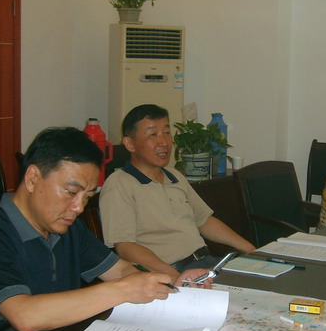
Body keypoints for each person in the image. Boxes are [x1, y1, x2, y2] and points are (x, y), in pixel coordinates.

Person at [0, 127, 208, 331]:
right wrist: (123, 290)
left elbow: (121, 272)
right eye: (71, 192)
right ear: (32, 178)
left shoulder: (68, 227)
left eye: (87, 197)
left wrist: (170, 283)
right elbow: (24, 317)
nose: (79, 207)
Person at [99, 104, 255, 279]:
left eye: (167, 132)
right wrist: (174, 277)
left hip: (206, 263)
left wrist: (251, 250)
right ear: (130, 144)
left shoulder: (174, 176)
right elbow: (125, 247)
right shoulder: (119, 184)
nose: (164, 142)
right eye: (153, 134)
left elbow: (204, 221)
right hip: (170, 273)